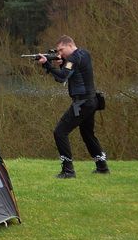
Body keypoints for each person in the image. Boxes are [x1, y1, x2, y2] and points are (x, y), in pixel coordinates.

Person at [38, 35, 109, 178]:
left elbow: (62, 76)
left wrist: (47, 65)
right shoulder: (84, 54)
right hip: (91, 101)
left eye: (61, 50)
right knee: (88, 134)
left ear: (69, 45)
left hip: (82, 103)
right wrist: (61, 62)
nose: (59, 53)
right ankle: (102, 166)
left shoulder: (73, 59)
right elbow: (63, 76)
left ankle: (68, 170)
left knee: (60, 132)